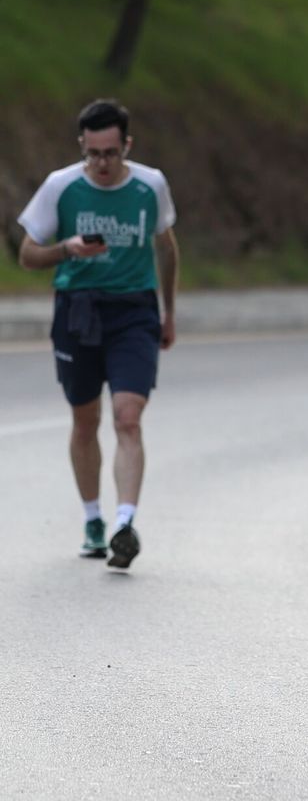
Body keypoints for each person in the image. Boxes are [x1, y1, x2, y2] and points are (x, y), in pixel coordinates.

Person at [16, 99, 179, 570]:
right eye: (93, 154)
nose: (102, 164)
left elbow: (166, 248)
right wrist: (66, 249)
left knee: (128, 418)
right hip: (79, 311)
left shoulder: (151, 185)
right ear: (81, 148)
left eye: (110, 153)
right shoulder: (61, 186)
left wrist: (168, 312)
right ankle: (92, 519)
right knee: (85, 421)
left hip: (134, 311)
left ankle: (124, 524)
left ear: (127, 146)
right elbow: (27, 255)